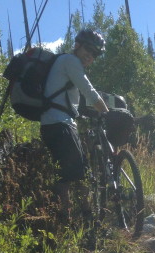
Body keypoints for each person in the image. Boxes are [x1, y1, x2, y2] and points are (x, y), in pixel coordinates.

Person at [40, 29, 109, 222]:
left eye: (95, 54)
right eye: (89, 50)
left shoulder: (62, 62)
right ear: (77, 45)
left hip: (51, 124)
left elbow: (73, 100)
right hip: (60, 124)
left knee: (66, 172)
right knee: (80, 171)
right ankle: (86, 217)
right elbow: (89, 91)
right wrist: (106, 112)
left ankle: (66, 218)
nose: (91, 56)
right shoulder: (71, 61)